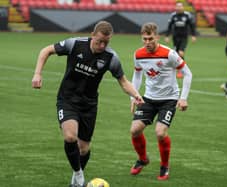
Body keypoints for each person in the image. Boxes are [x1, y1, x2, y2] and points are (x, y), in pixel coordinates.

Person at [31, 21, 144, 187]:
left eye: (106, 42)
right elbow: (46, 50)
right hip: (67, 99)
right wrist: (37, 74)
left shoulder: (111, 58)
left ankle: (75, 181)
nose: (102, 45)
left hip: (89, 105)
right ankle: (78, 175)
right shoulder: (75, 44)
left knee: (83, 148)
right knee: (70, 136)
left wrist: (136, 95)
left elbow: (123, 81)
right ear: (93, 35)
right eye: (99, 41)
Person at [130, 22, 192, 180]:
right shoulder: (138, 54)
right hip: (148, 98)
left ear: (157, 36)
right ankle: (143, 159)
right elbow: (137, 75)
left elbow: (187, 73)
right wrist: (134, 96)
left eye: (150, 38)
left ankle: (164, 165)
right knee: (135, 130)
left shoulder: (169, 54)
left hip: (169, 99)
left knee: (160, 132)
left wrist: (183, 98)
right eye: (144, 39)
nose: (147, 42)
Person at [164, 1, 196, 78]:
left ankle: (180, 71)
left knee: (181, 53)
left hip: (184, 37)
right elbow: (169, 26)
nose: (178, 8)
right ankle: (178, 68)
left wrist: (193, 35)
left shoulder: (187, 15)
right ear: (175, 7)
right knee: (176, 53)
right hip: (175, 38)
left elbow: (192, 26)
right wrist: (167, 36)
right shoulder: (173, 15)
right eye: (177, 6)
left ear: (183, 7)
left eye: (180, 6)